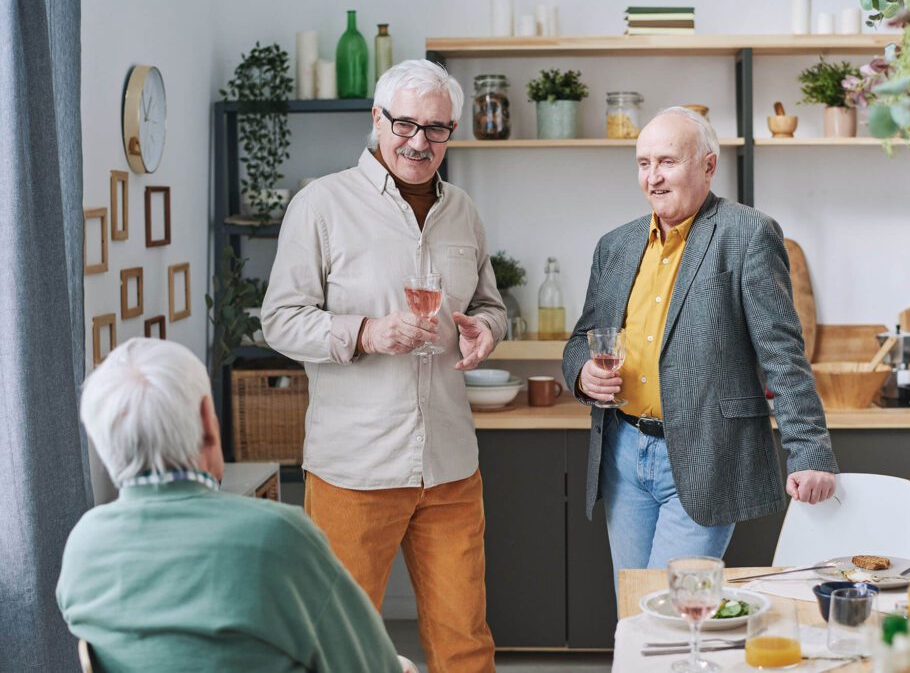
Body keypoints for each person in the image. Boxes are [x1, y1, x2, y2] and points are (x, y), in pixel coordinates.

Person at [261, 59, 505, 672]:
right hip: (354, 470)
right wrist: (367, 331)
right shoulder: (321, 204)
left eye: (437, 128)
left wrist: (487, 331)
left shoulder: (465, 212)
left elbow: (490, 305)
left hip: (450, 467)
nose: (420, 141)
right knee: (339, 645)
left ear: (452, 132)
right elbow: (280, 319)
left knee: (465, 642)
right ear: (377, 120)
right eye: (405, 124)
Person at [562, 107, 838, 583]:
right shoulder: (616, 245)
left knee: (670, 605)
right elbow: (579, 341)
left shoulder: (748, 234)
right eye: (643, 164)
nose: (653, 178)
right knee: (633, 605)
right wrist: (583, 373)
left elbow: (782, 353)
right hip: (623, 453)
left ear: (708, 166)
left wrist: (810, 450)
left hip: (704, 453)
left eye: (667, 162)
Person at [56, 338, 405, 672]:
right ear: (208, 421)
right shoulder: (277, 536)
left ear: (103, 441)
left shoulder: (83, 546)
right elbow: (371, 665)